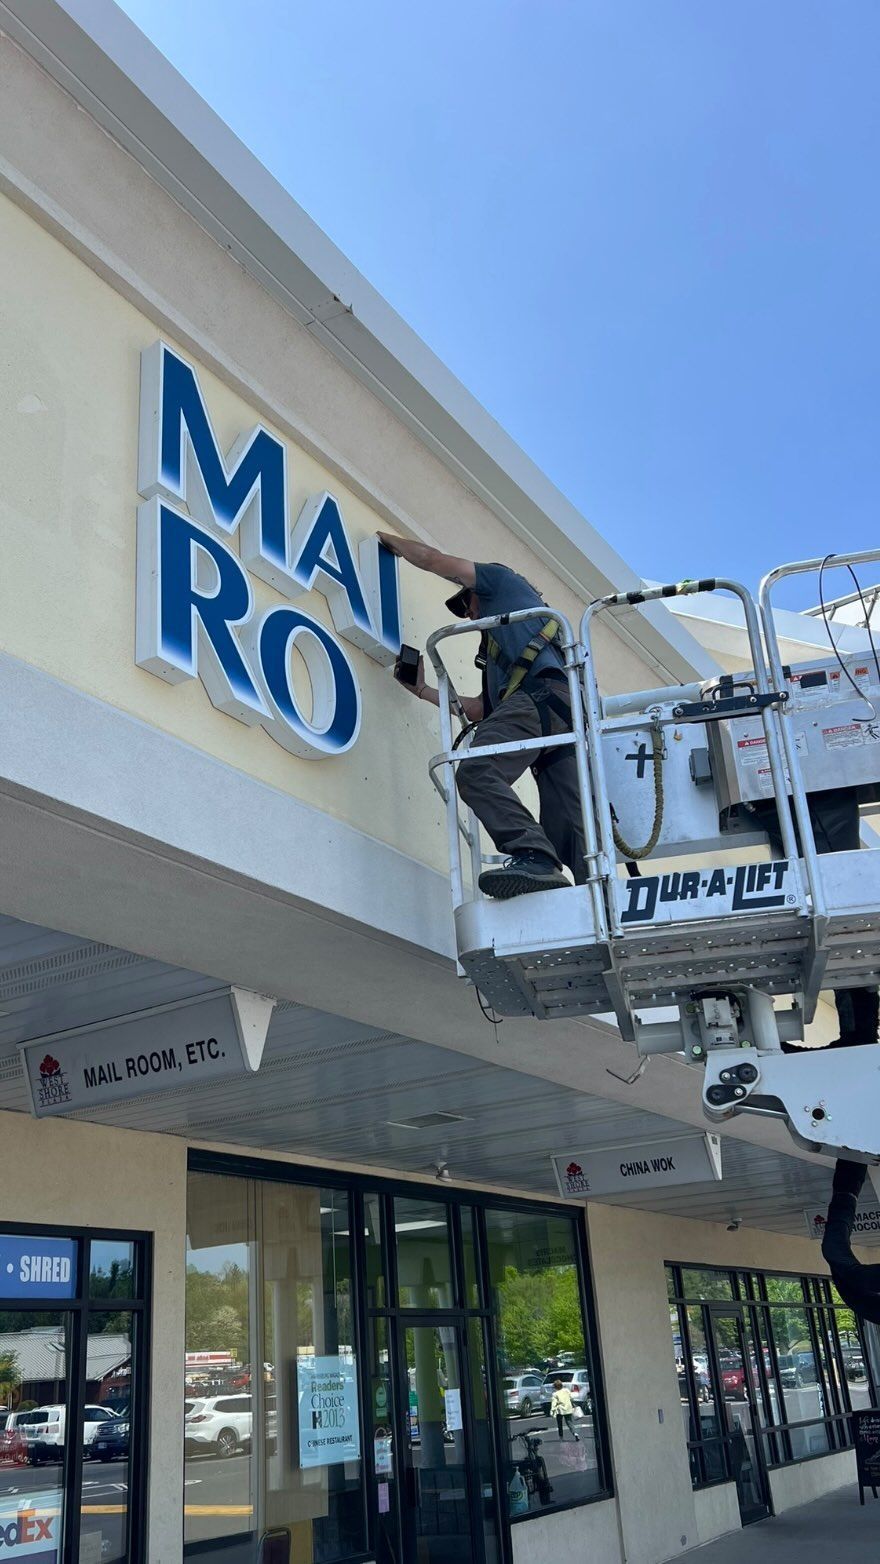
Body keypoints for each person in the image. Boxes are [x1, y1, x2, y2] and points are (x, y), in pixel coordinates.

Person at [377, 533, 586, 899]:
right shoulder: (505, 652)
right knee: (568, 824)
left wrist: (383, 537)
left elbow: (431, 557)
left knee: (477, 769)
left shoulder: (503, 583)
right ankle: (596, 897)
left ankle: (534, 856)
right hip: (558, 711)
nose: (468, 613)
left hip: (542, 699)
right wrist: (424, 690)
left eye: (465, 603)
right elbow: (482, 711)